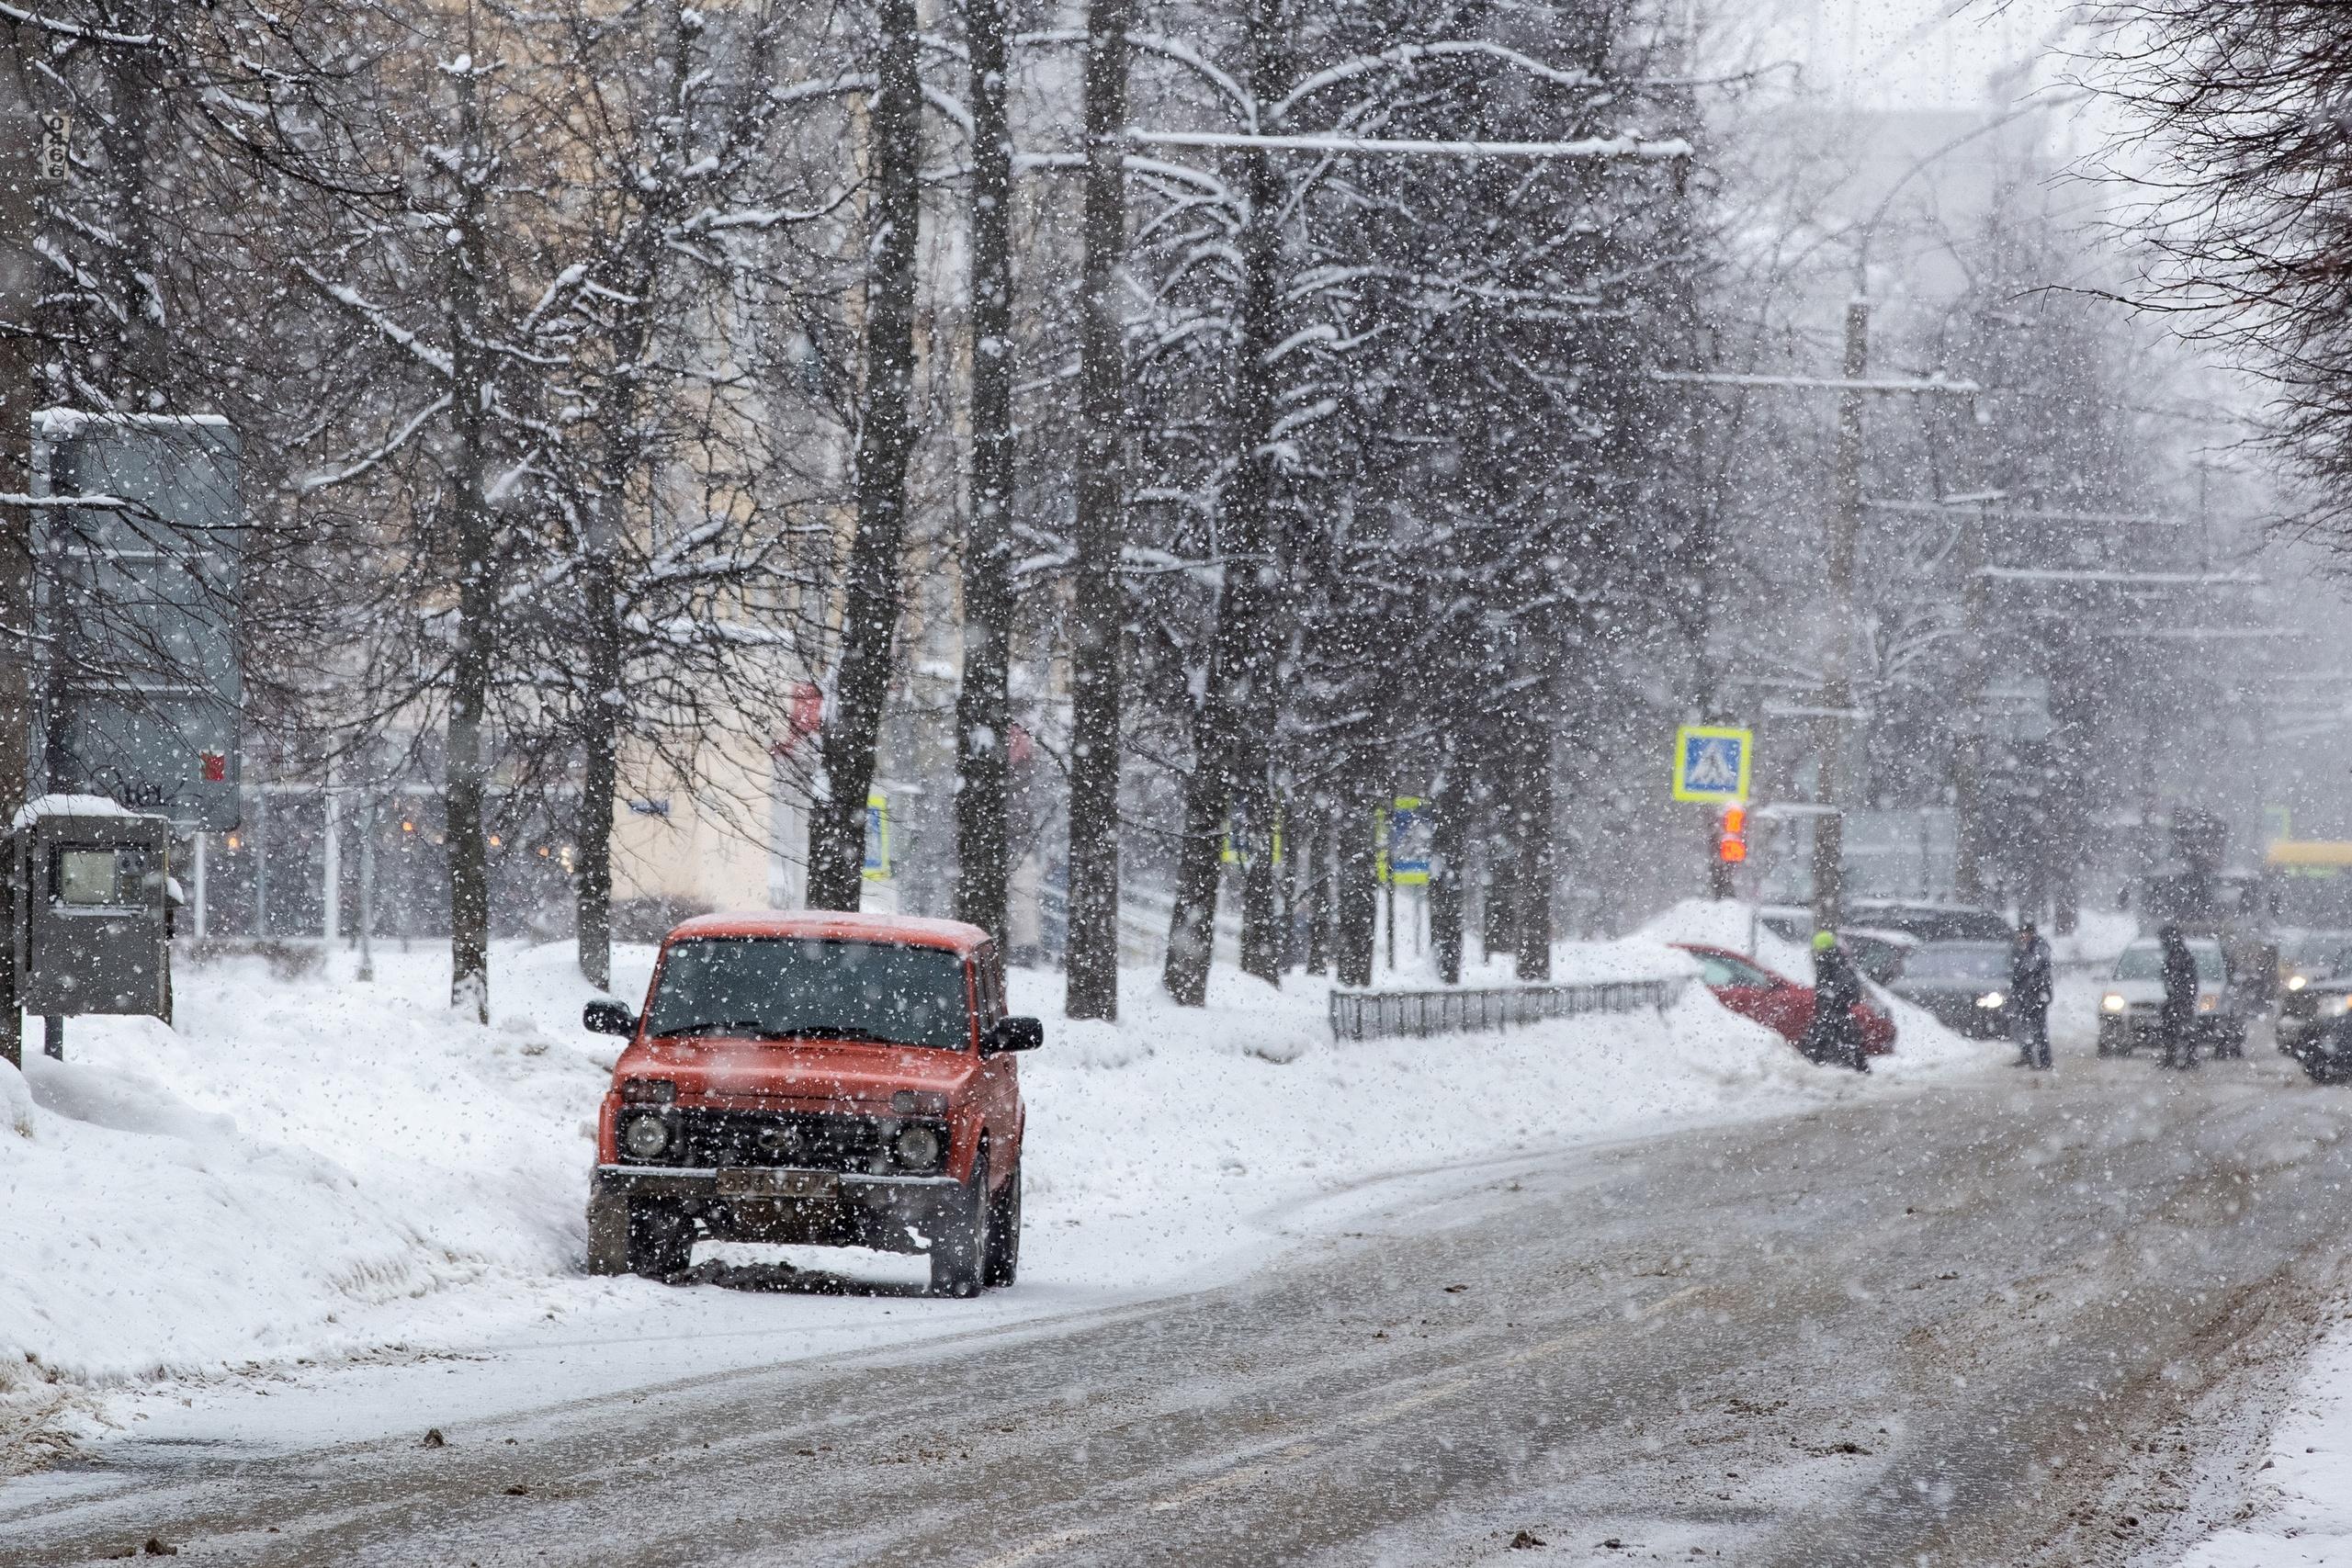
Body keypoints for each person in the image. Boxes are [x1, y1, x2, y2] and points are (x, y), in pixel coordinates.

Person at [1804, 930, 1869, 1073]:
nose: (1816, 952)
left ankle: (1813, 1067)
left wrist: (1832, 999)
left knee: (1822, 1040)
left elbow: (1844, 988)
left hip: (1835, 1013)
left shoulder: (1831, 964)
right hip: (1834, 1013)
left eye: (1818, 949)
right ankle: (1857, 1068)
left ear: (1822, 948)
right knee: (1845, 1041)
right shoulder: (1834, 962)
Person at [2010, 921, 2054, 1070]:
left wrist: (2032, 985)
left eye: (2025, 934)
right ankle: (2028, 1055)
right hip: (2026, 994)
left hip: (2036, 995)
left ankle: (2044, 1061)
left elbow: (2037, 969)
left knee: (2038, 1028)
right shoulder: (2024, 948)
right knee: (2023, 1026)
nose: (2023, 937)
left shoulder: (2039, 947)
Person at [2158, 923, 2200, 1070]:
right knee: (2176, 1027)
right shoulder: (2177, 953)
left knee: (2179, 1028)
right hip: (2179, 997)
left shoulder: (2179, 955)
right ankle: (2179, 1057)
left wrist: (2182, 996)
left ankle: (2185, 1058)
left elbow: (2182, 978)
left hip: (2181, 998)